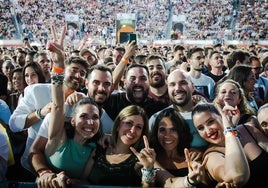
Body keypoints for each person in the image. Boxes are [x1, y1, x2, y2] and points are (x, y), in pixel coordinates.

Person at [9, 25, 89, 175]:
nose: (78, 75)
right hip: (32, 166)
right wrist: (39, 113)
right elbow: (14, 124)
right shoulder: (36, 91)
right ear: (64, 70)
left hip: (63, 171)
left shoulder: (82, 101)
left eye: (83, 73)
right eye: (74, 70)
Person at [41, 39, 103, 183]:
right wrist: (58, 66)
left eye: (95, 117)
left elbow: (85, 181)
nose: (90, 122)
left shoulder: (94, 149)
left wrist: (69, 181)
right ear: (73, 121)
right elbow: (58, 105)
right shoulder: (58, 137)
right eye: (84, 116)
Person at [192, 102, 268, 187]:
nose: (208, 131)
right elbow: (237, 177)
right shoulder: (211, 156)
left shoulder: (247, 129)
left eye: (210, 122)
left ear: (222, 117)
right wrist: (229, 129)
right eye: (201, 128)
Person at [88, 105, 157, 187]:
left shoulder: (142, 158)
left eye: (138, 127)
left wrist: (148, 169)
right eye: (129, 123)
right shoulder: (100, 148)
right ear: (117, 125)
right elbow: (84, 181)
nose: (132, 130)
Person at [149, 69, 208, 149]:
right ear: (168, 89)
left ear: (193, 87)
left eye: (183, 83)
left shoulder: (209, 115)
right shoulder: (156, 119)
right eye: (172, 85)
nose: (177, 88)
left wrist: (205, 152)